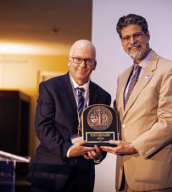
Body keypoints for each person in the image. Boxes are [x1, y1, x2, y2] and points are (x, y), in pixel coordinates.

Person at [100, 14, 172, 192]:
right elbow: (120, 119)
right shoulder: (123, 76)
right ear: (121, 41)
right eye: (126, 37)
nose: (132, 41)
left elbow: (170, 121)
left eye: (137, 35)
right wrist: (93, 140)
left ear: (147, 35)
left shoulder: (169, 70)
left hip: (155, 175)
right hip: (124, 175)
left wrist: (133, 147)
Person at [27, 40, 111, 192]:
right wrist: (68, 149)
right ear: (69, 61)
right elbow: (42, 127)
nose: (83, 64)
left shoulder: (103, 96)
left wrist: (99, 153)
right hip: (49, 174)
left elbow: (102, 134)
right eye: (78, 59)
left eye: (88, 60)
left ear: (95, 64)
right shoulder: (49, 87)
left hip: (83, 177)